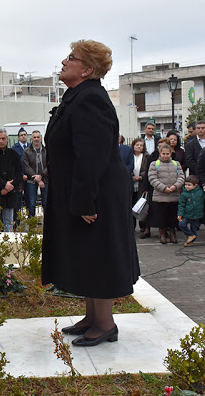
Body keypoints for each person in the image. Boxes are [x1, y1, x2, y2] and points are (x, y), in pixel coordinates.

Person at [42, 39, 139, 347]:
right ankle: (91, 318)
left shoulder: (90, 99)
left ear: (87, 69)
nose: (63, 62)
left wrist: (84, 199)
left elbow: (91, 156)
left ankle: (106, 324)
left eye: (71, 58)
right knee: (85, 253)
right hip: (83, 189)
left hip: (97, 193)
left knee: (99, 255)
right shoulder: (78, 95)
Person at [148, 144, 184, 244]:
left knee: (173, 217)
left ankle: (173, 234)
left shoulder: (176, 163)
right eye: (163, 154)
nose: (165, 156)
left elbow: (181, 177)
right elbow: (152, 179)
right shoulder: (154, 164)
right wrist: (164, 188)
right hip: (160, 196)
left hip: (174, 195)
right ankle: (162, 234)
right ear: (160, 153)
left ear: (171, 153)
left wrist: (175, 187)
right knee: (161, 218)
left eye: (167, 154)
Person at [138, 137, 170, 239]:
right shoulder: (152, 157)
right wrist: (146, 187)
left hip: (167, 188)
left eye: (163, 146)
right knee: (149, 210)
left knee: (164, 212)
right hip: (152, 188)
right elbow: (147, 173)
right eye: (159, 146)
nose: (161, 148)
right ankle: (147, 230)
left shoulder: (172, 157)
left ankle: (165, 231)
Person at [177, 175, 205, 247]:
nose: (187, 187)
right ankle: (190, 235)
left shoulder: (200, 192)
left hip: (196, 215)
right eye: (186, 185)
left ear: (195, 185)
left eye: (189, 185)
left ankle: (190, 241)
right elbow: (181, 205)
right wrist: (180, 214)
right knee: (182, 224)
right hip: (187, 214)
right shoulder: (184, 194)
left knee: (194, 229)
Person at [22, 130, 48, 218]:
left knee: (46, 203)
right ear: (31, 139)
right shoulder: (26, 151)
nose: (36, 139)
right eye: (34, 137)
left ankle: (47, 224)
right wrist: (36, 177)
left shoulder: (46, 150)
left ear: (41, 138)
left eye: (38, 137)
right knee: (31, 204)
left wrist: (41, 176)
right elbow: (26, 166)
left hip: (45, 179)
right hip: (31, 180)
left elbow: (50, 164)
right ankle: (31, 224)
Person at [11, 127, 30, 221]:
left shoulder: (30, 147)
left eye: (24, 135)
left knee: (30, 200)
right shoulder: (14, 148)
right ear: (18, 137)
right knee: (18, 201)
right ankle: (17, 222)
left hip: (30, 178)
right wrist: (21, 175)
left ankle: (31, 221)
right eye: (21, 135)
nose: (23, 137)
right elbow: (14, 164)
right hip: (19, 179)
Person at [130, 138, 147, 232]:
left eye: (141, 145)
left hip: (141, 184)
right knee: (131, 206)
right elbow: (126, 166)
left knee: (141, 206)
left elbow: (147, 169)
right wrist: (131, 176)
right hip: (131, 184)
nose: (139, 147)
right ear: (133, 145)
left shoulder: (146, 156)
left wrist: (141, 176)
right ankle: (131, 226)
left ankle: (143, 227)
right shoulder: (129, 155)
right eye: (137, 145)